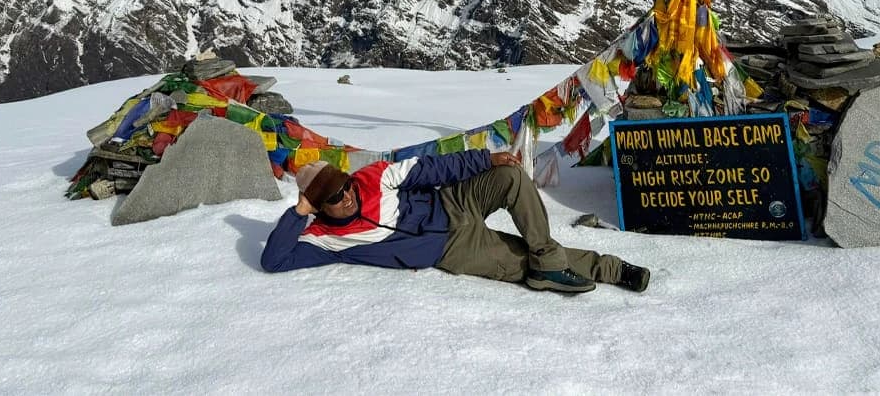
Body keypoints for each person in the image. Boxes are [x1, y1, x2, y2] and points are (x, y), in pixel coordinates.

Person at [260, 148, 650, 294]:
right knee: (519, 259)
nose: (346, 196)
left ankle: (549, 261)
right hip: (452, 249)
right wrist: (298, 213)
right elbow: (275, 260)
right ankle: (612, 269)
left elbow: (432, 168)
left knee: (510, 176)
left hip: (453, 202)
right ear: (317, 206)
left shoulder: (374, 177)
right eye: (333, 197)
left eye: (344, 186)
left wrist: (485, 160)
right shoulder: (327, 239)